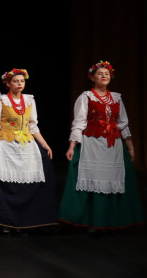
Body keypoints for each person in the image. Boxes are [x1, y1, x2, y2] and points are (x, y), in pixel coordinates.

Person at [59, 60, 142, 230]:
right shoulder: (85, 97)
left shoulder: (117, 98)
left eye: (107, 74)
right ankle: (92, 220)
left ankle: (112, 221)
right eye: (100, 73)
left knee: (113, 180)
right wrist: (72, 146)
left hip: (113, 146)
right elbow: (79, 123)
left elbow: (123, 124)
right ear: (92, 77)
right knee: (93, 179)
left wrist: (131, 146)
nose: (104, 76)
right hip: (92, 143)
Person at [0, 68, 56, 232]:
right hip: (7, 142)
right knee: (4, 178)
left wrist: (45, 145)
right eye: (16, 81)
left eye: (22, 81)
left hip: (26, 144)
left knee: (41, 166)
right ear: (8, 83)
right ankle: (4, 220)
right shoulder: (1, 100)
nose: (19, 84)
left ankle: (27, 220)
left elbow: (33, 126)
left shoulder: (30, 100)